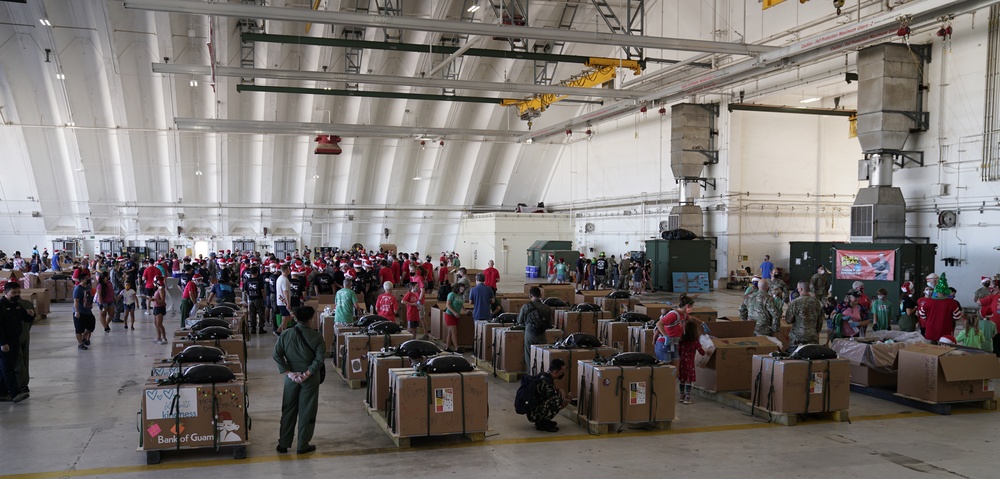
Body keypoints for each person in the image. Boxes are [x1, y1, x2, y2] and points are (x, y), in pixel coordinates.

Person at [272, 306, 325, 455]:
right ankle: (302, 445)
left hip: (291, 378)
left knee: (288, 409)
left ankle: (283, 444)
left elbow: (276, 355)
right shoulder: (316, 337)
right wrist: (307, 374)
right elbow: (320, 359)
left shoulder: (286, 334)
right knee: (307, 410)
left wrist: (289, 373)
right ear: (310, 319)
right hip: (310, 378)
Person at [0, 282, 30, 402]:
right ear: (6, 293)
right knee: (8, 368)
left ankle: (2, 392)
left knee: (7, 367)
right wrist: (2, 343)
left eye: (18, 292)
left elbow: (25, 318)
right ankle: (15, 393)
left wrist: (31, 315)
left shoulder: (17, 305)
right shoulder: (1, 306)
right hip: (4, 341)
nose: (16, 295)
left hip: (14, 339)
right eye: (13, 293)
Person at [526, 358, 571, 433]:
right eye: (561, 372)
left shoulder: (544, 375)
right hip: (533, 414)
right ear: (556, 372)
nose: (562, 374)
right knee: (556, 401)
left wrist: (558, 389)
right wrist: (568, 400)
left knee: (555, 398)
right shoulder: (547, 383)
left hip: (532, 409)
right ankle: (542, 423)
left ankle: (544, 420)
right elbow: (556, 404)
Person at [916, 273, 963, 343]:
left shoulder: (927, 302)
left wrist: (930, 320)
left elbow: (922, 315)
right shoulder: (952, 303)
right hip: (946, 333)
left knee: (930, 350)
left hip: (930, 331)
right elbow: (957, 317)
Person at [654, 294, 698, 367]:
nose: (692, 308)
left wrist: (702, 323)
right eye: (691, 306)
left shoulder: (683, 315)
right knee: (666, 369)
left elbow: (692, 318)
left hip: (674, 344)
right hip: (664, 344)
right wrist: (666, 336)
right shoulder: (674, 315)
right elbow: (659, 324)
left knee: (675, 369)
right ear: (687, 306)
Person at [517, 286, 553, 367]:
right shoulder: (547, 308)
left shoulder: (525, 307)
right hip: (542, 335)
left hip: (530, 334)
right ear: (541, 295)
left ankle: (531, 372)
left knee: (528, 354)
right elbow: (549, 325)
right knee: (543, 354)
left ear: (530, 295)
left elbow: (520, 321)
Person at [785, 281, 824, 347]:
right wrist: (816, 331)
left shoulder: (795, 302)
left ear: (800, 289)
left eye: (798, 288)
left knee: (795, 356)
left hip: (797, 338)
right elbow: (820, 320)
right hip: (812, 337)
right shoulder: (816, 302)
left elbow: (788, 320)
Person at [677, 321, 705, 405]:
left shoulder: (681, 341)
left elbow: (678, 351)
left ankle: (681, 396)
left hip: (681, 363)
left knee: (682, 379)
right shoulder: (695, 342)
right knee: (689, 380)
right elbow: (702, 352)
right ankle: (687, 397)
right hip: (690, 364)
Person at [72, 276, 96, 350]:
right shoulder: (78, 289)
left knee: (91, 325)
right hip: (80, 311)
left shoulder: (88, 287)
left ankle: (83, 338)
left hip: (88, 311)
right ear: (82, 280)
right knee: (79, 329)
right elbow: (76, 301)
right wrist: (76, 311)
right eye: (86, 278)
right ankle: (80, 344)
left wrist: (91, 303)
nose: (88, 279)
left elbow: (89, 297)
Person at [443, 283, 467, 353]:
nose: (462, 290)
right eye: (461, 288)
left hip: (456, 315)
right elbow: (447, 305)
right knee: (454, 332)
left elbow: (461, 304)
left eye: (463, 288)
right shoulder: (452, 294)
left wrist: (465, 310)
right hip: (450, 314)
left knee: (450, 332)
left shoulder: (461, 296)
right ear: (457, 288)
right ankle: (456, 348)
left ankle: (447, 347)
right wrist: (454, 312)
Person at [245, 267, 266, 334]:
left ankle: (253, 329)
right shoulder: (259, 280)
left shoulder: (247, 281)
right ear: (257, 272)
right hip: (259, 299)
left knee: (252, 314)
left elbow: (245, 291)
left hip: (251, 299)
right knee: (261, 313)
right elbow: (262, 290)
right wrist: (264, 297)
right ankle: (261, 328)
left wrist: (249, 295)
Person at [275, 264, 293, 333]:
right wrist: (288, 303)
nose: (290, 271)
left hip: (280, 301)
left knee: (288, 317)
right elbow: (285, 291)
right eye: (289, 269)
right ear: (286, 270)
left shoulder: (280, 278)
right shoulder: (284, 280)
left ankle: (279, 330)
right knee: (285, 318)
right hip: (283, 302)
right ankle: (282, 332)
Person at [151, 277, 167, 344]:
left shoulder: (161, 290)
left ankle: (164, 338)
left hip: (160, 307)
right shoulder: (158, 289)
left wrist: (154, 299)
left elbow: (163, 301)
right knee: (156, 323)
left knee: (159, 324)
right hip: (156, 307)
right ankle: (159, 338)